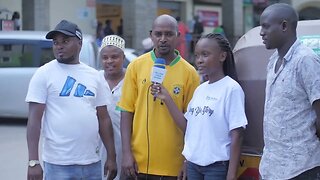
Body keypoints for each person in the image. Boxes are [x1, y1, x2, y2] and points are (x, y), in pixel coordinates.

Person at [26, 19, 117, 180]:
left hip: (92, 163)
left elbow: (104, 119)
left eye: (65, 41)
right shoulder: (44, 74)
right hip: (58, 164)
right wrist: (33, 161)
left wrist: (111, 156)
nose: (59, 46)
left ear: (79, 43)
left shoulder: (94, 76)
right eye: (55, 42)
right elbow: (34, 121)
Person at [151, 33, 248, 180]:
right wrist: (167, 98)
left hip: (216, 167)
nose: (199, 61)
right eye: (197, 56)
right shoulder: (200, 89)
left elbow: (237, 134)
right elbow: (188, 127)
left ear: (222, 56)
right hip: (193, 166)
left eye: (205, 55)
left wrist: (231, 174)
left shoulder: (231, 89)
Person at [118, 14, 200, 179]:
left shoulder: (190, 73)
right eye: (158, 34)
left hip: (173, 167)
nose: (163, 39)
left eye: (169, 34)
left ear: (178, 36)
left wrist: (186, 161)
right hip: (137, 165)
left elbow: (194, 125)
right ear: (151, 36)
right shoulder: (136, 66)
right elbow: (126, 112)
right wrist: (126, 153)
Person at [259, 3, 320, 179]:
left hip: (300, 168)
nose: (261, 32)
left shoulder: (306, 60)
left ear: (284, 26)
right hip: (272, 167)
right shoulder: (272, 62)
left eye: (266, 26)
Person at [99, 34, 126, 180]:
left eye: (114, 57)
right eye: (105, 57)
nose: (109, 61)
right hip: (98, 149)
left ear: (123, 57)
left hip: (126, 149)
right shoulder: (95, 80)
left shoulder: (132, 80)